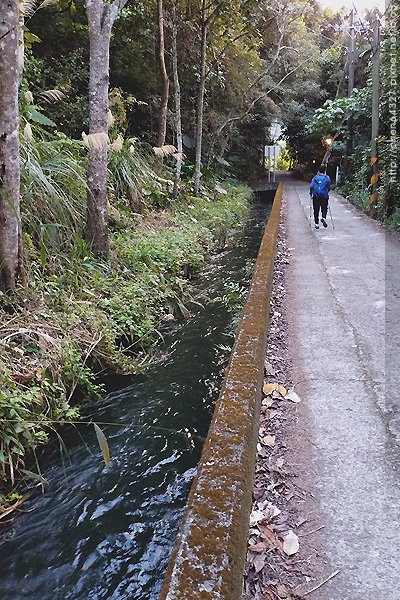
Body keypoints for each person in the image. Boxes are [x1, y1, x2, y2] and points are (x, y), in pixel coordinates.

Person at [309, 164, 331, 229]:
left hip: (316, 196)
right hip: (324, 196)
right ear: (325, 170)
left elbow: (311, 186)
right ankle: (323, 217)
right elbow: (329, 187)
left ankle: (316, 224)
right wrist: (326, 192)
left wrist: (311, 193)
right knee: (324, 208)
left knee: (316, 209)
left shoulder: (315, 178)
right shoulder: (327, 178)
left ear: (319, 170)